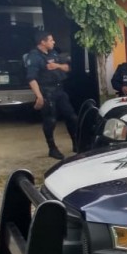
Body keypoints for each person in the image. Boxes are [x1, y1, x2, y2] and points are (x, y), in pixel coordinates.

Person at [25, 30, 77, 160]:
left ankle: (77, 144)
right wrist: (39, 96)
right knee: (50, 121)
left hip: (60, 90)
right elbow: (31, 79)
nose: (53, 42)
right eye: (51, 40)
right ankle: (52, 148)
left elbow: (67, 68)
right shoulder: (34, 57)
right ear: (43, 42)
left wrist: (57, 65)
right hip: (47, 92)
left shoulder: (53, 52)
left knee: (72, 117)